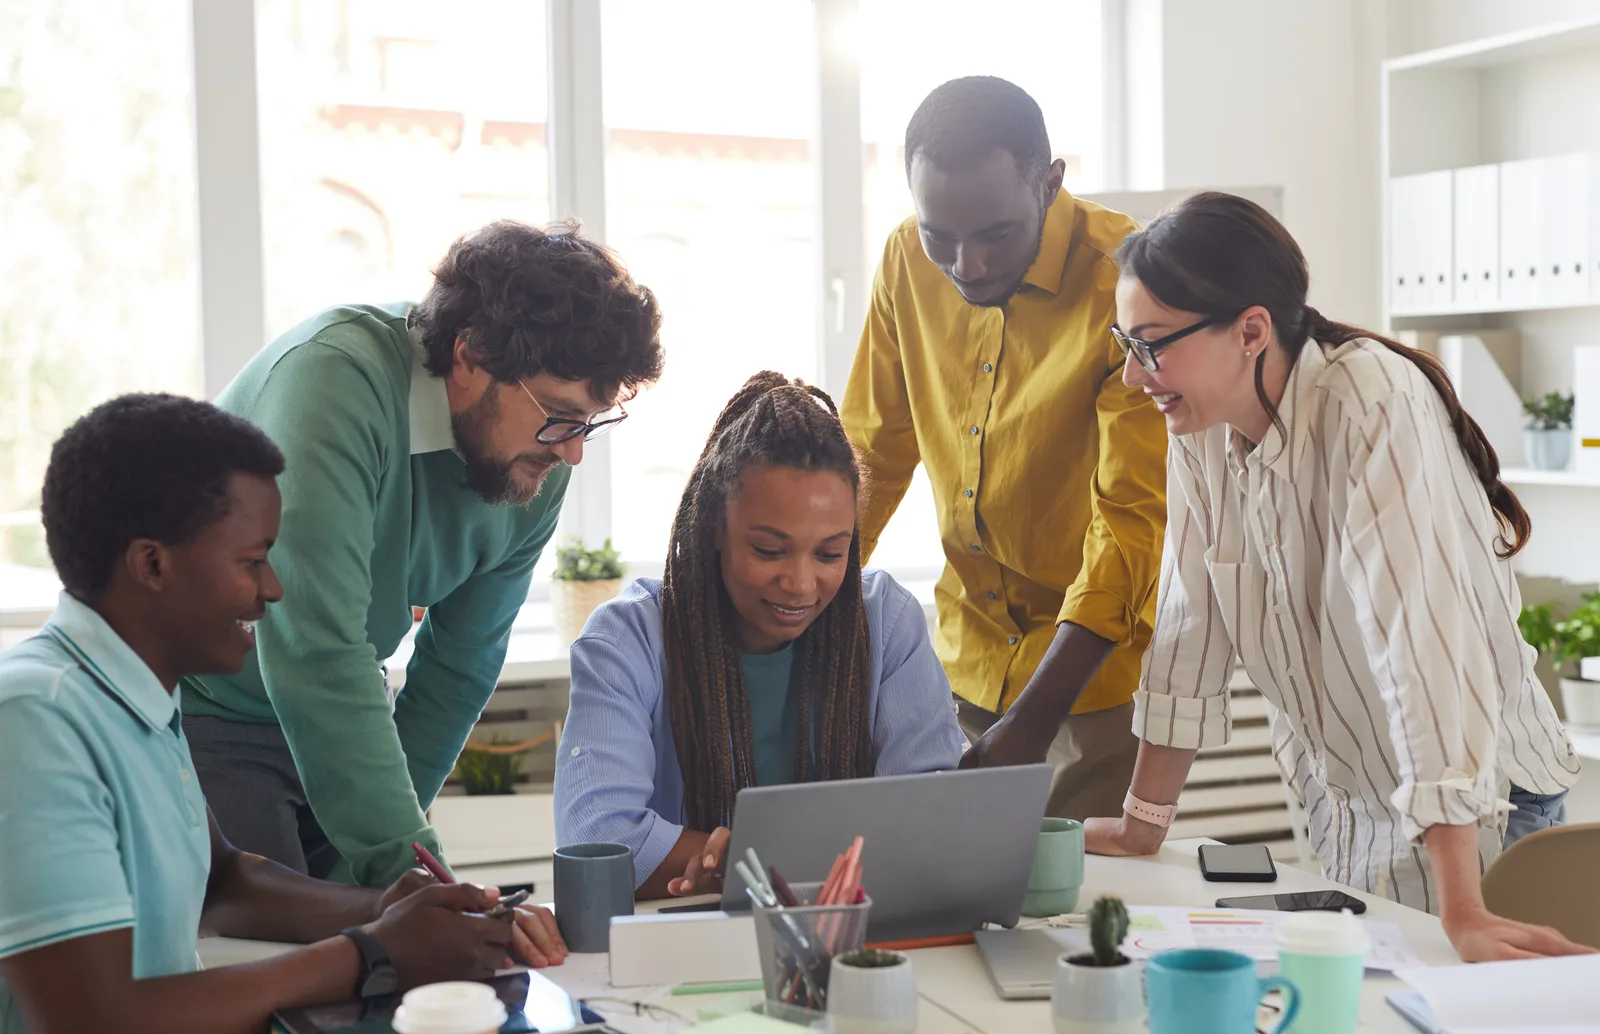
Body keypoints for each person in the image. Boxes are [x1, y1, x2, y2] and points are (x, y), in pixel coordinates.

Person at [1089, 191, 1592, 962]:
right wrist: (1141, 822)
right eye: (1127, 343)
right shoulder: (1200, 424)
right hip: (1352, 807)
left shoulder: (1370, 402)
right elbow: (1191, 626)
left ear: (1251, 330)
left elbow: (1422, 646)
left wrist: (1464, 906)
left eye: (1152, 346)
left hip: (1479, 808)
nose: (1133, 374)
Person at [0, 395, 568, 1034]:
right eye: (253, 560)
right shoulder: (37, 718)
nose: (273, 589)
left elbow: (225, 882)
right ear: (152, 565)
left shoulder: (133, 694)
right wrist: (372, 952)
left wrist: (385, 907)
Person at [181, 221, 665, 887]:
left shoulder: (541, 459)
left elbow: (459, 667)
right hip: (214, 708)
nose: (572, 450)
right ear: (467, 357)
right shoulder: (334, 382)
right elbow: (316, 648)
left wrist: (406, 873)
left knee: (379, 947)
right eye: (558, 414)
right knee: (279, 963)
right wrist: (414, 879)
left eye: (589, 423)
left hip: (345, 710)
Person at [840, 76, 1168, 820]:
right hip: (961, 661)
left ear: (1050, 182)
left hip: (1092, 678)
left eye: (995, 235)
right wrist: (802, 605)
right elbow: (871, 453)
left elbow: (1131, 520)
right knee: (951, 906)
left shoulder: (1130, 278)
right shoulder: (903, 260)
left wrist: (1036, 715)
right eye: (940, 236)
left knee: (1079, 917)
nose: (968, 264)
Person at [554, 373, 964, 898]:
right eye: (769, 551)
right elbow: (598, 844)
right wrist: (784, 861)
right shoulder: (627, 641)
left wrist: (737, 859)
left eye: (830, 554)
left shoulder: (885, 622)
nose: (800, 584)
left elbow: (934, 818)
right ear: (714, 532)